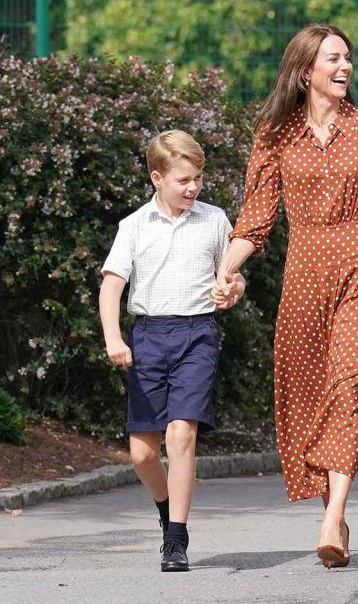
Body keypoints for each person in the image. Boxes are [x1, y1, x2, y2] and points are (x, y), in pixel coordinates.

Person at [216, 23, 358, 568]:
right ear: (304, 70)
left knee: (349, 386)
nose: (345, 68)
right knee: (310, 399)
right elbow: (256, 216)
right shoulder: (275, 135)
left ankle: (331, 516)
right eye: (333, 59)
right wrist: (226, 270)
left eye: (348, 59)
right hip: (302, 280)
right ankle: (334, 512)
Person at [99, 130, 245, 572]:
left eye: (198, 178)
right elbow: (111, 287)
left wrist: (233, 288)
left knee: (181, 432)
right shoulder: (134, 226)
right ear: (157, 178)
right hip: (147, 337)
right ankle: (166, 511)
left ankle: (176, 540)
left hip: (198, 333)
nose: (193, 187)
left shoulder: (215, 220)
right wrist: (113, 337)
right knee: (143, 451)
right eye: (183, 179)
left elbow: (232, 276)